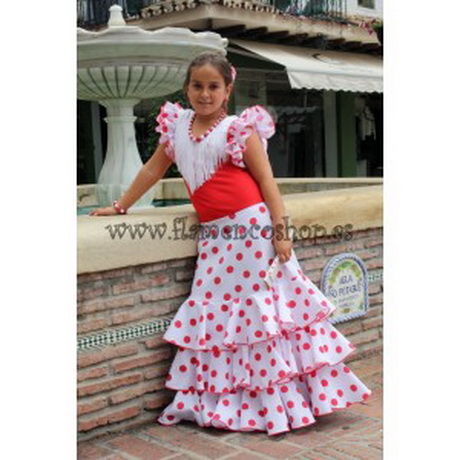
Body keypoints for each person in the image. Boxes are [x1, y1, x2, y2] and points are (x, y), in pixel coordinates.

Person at [89, 52, 372, 435]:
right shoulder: (176, 127)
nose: (204, 94)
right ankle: (223, 402)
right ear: (187, 88)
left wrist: (281, 231)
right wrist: (120, 206)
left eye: (213, 87)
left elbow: (267, 182)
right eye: (197, 86)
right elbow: (154, 169)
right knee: (217, 319)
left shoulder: (239, 129)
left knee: (262, 320)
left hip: (252, 233)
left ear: (227, 91)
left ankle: (272, 403)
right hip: (216, 238)